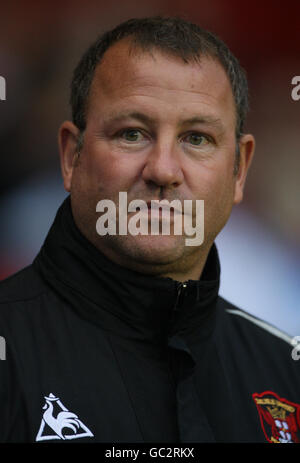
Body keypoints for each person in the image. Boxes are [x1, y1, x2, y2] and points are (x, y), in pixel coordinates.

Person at [0, 16, 299, 444]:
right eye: (132, 133)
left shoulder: (286, 373)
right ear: (71, 157)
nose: (162, 169)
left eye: (196, 139)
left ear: (239, 171)